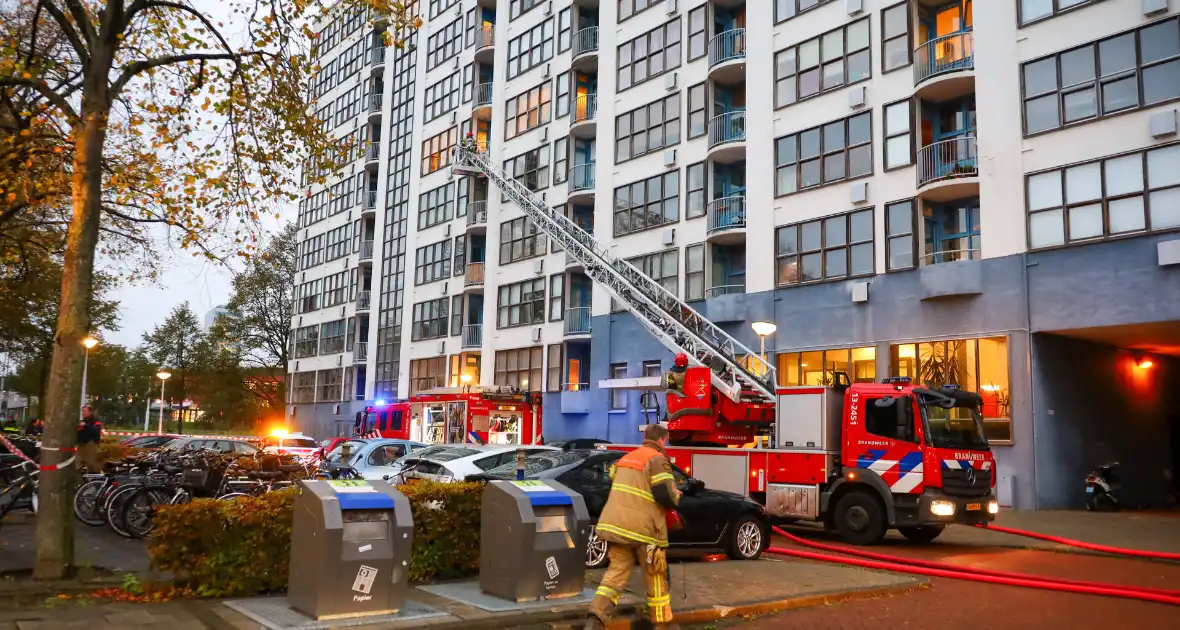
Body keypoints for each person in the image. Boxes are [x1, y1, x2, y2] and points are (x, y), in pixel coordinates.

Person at [586, 423, 682, 630]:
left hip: (617, 527)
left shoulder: (626, 459)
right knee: (655, 574)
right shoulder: (657, 460)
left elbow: (615, 480)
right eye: (665, 441)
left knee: (616, 574)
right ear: (661, 440)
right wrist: (677, 495)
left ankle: (596, 618)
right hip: (645, 532)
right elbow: (665, 494)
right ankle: (661, 623)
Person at [76, 405, 104, 471]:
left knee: (93, 467)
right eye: (82, 411)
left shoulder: (95, 422)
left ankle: (98, 480)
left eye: (84, 411)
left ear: (90, 412)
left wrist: (86, 426)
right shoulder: (82, 422)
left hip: (91, 446)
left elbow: (96, 432)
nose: (82, 413)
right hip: (81, 447)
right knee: (77, 465)